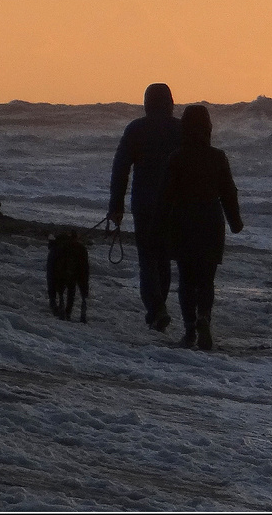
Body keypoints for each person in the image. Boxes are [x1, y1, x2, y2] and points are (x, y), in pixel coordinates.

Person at [162, 104, 243, 351]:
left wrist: (157, 226)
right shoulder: (217, 157)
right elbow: (229, 192)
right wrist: (235, 222)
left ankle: (189, 331)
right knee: (206, 279)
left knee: (186, 279)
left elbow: (165, 196)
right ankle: (204, 317)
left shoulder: (177, 157)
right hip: (211, 220)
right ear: (208, 127)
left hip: (184, 221)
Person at [107, 83, 184, 332]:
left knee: (148, 258)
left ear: (146, 103)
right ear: (170, 102)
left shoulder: (136, 129)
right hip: (174, 205)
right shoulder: (181, 130)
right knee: (163, 257)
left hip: (145, 204)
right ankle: (159, 307)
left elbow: (120, 168)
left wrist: (116, 206)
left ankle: (156, 309)